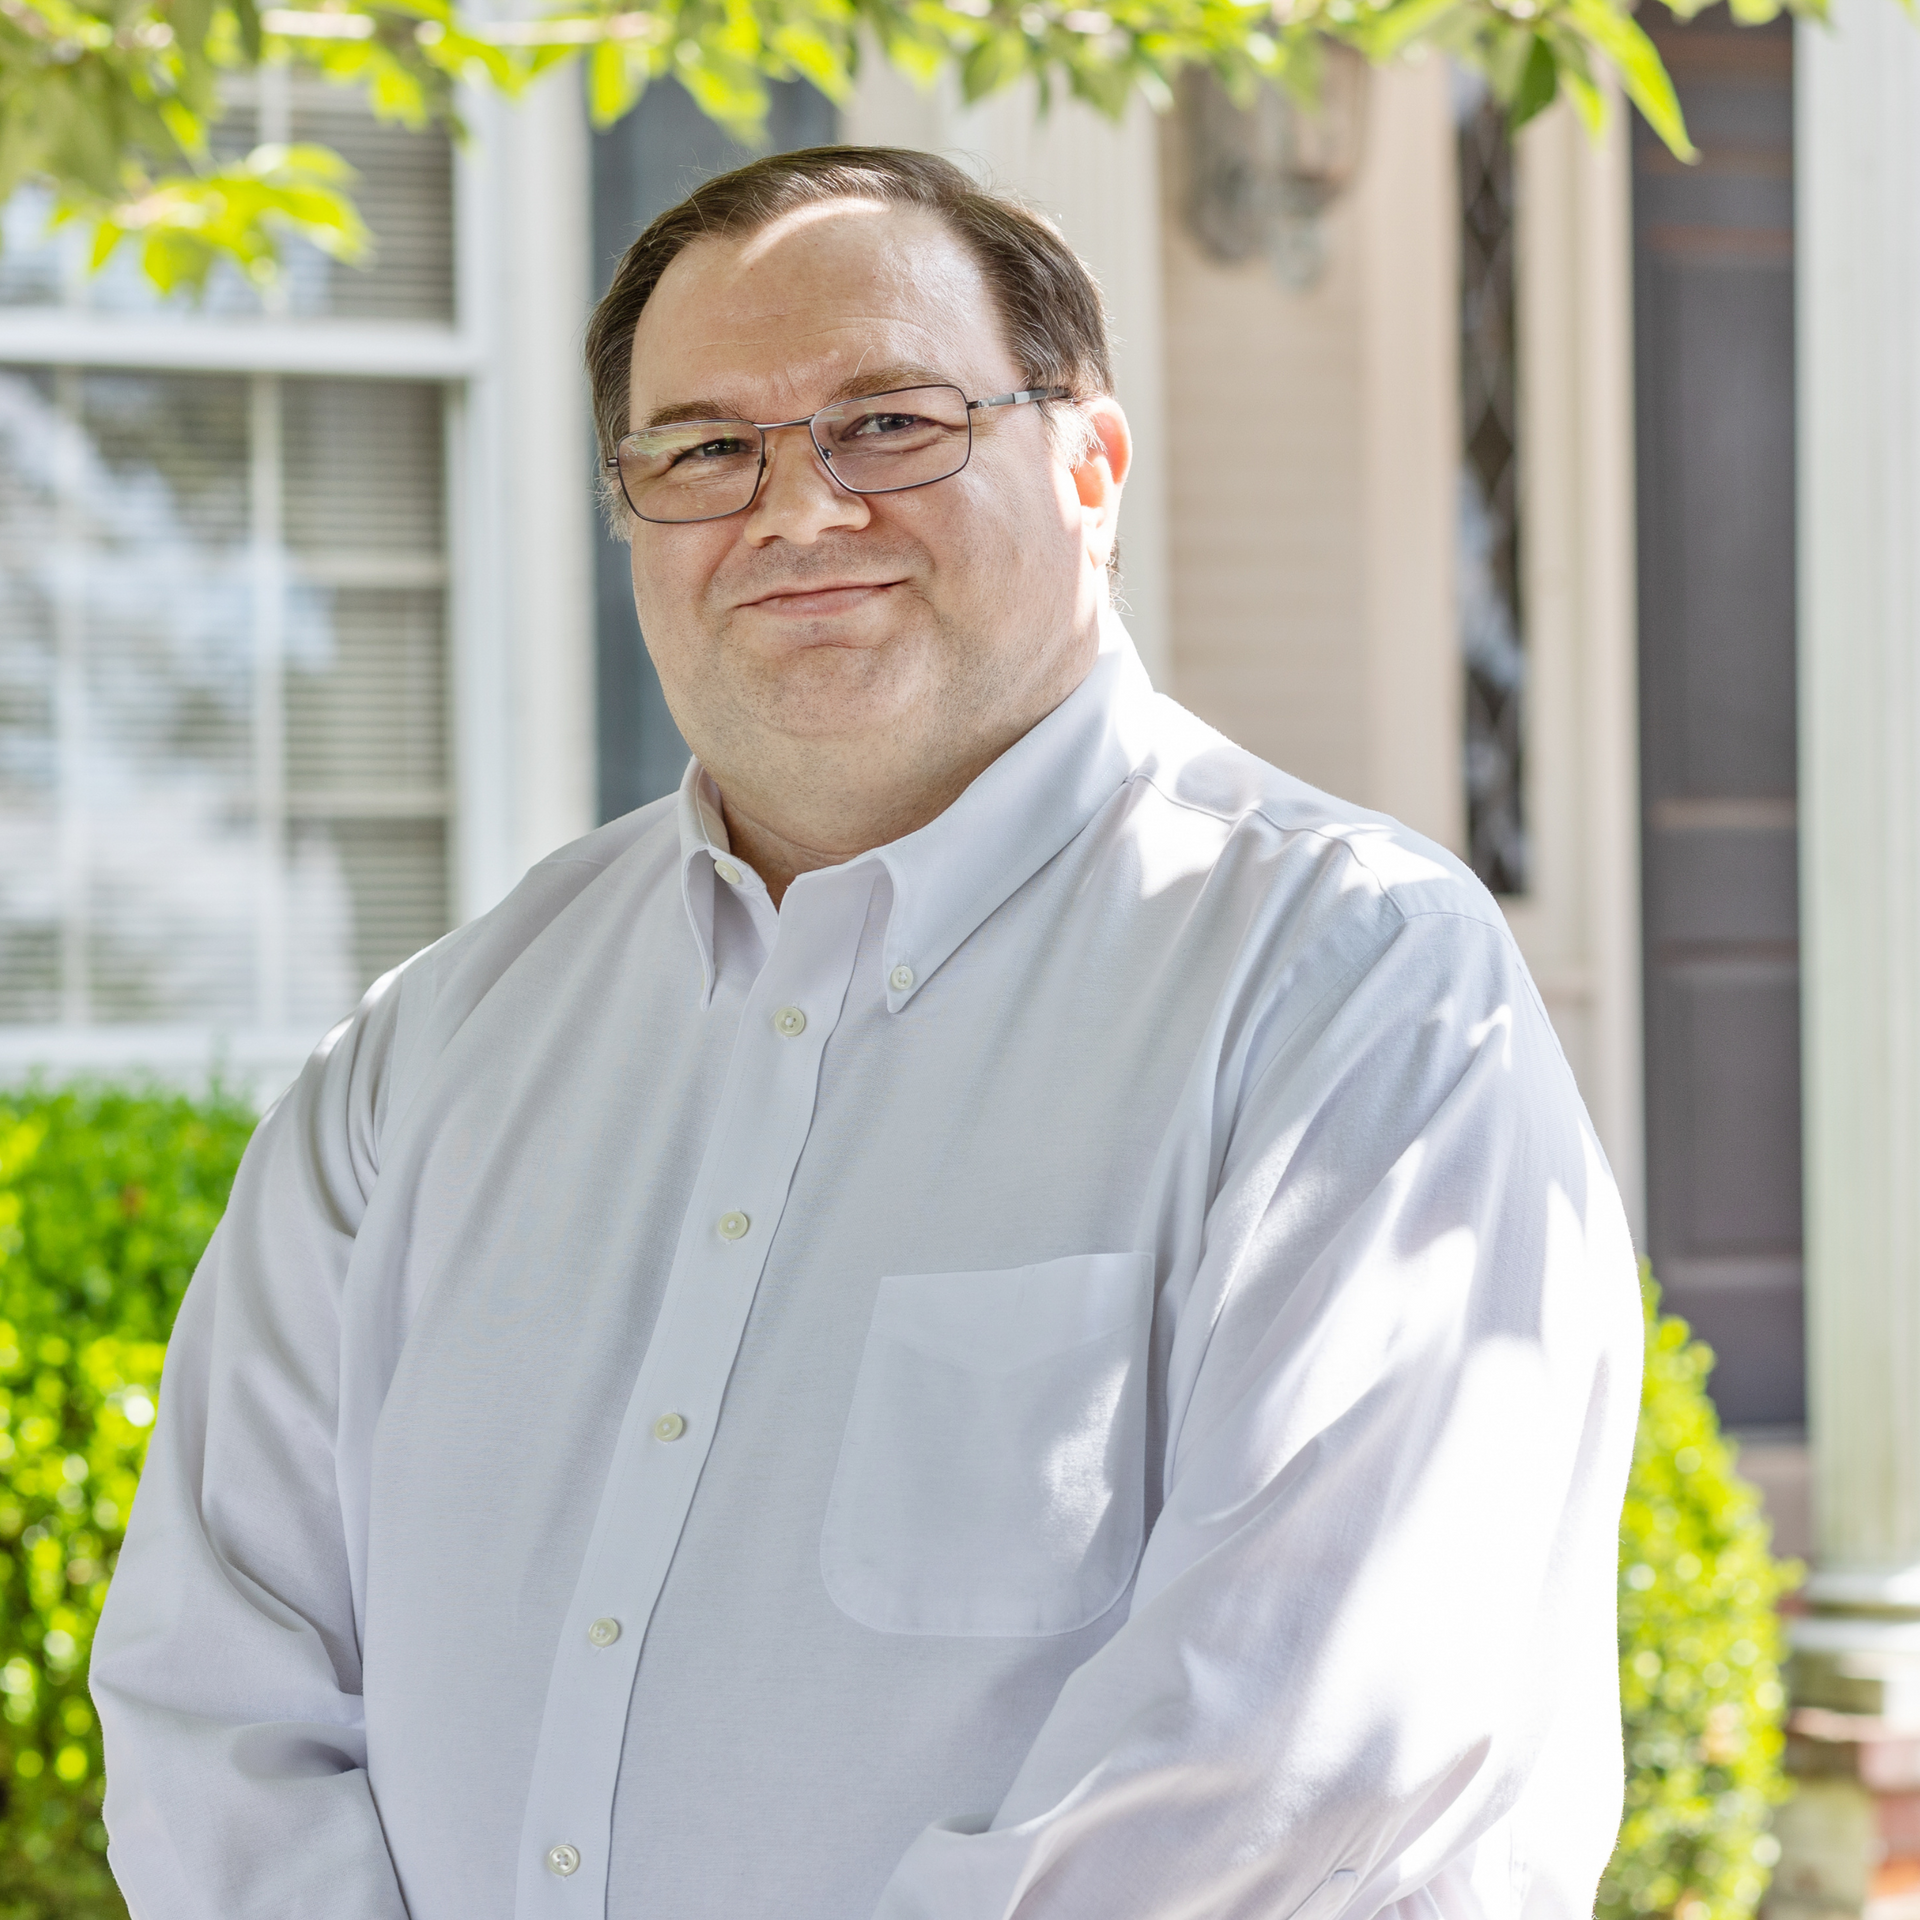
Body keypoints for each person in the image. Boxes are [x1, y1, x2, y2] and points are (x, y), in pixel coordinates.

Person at [91, 146, 1642, 1920]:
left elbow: (1295, 1773)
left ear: (1092, 467)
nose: (798, 508)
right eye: (704, 449)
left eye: (890, 422)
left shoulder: (1348, 991)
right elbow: (222, 1687)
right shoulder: (436, 1049)